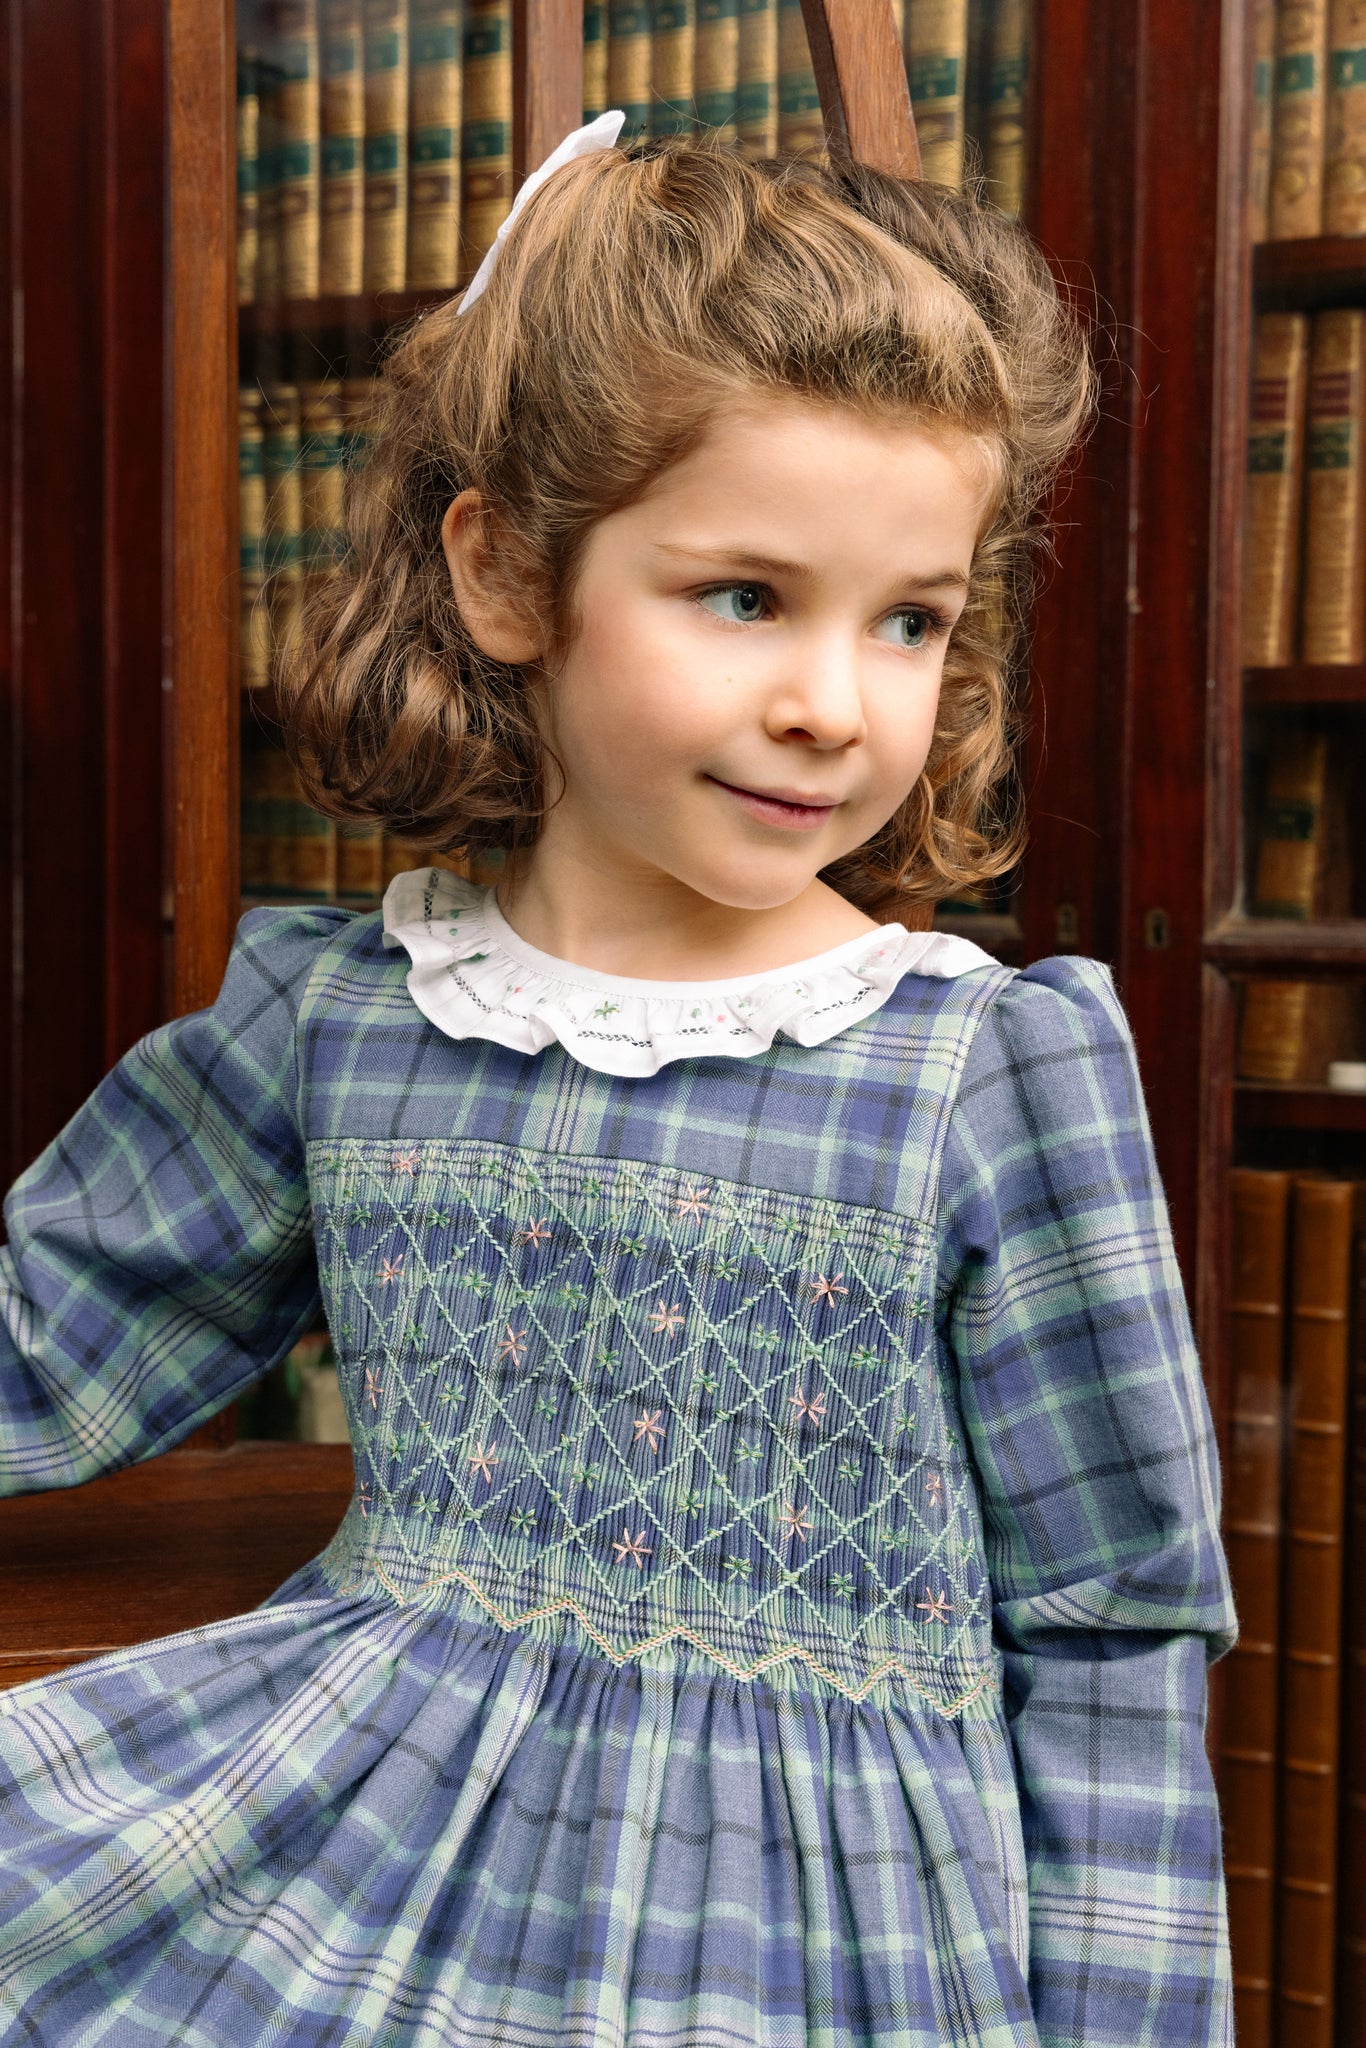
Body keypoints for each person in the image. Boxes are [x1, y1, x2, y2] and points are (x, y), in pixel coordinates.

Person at [0, 119, 1235, 2048]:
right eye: (743, 595)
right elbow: (51, 1341)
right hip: (374, 1848)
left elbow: (1111, 1631)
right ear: (507, 574)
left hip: (825, 1944)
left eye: (908, 619)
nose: (832, 701)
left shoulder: (989, 1070)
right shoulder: (344, 1016)